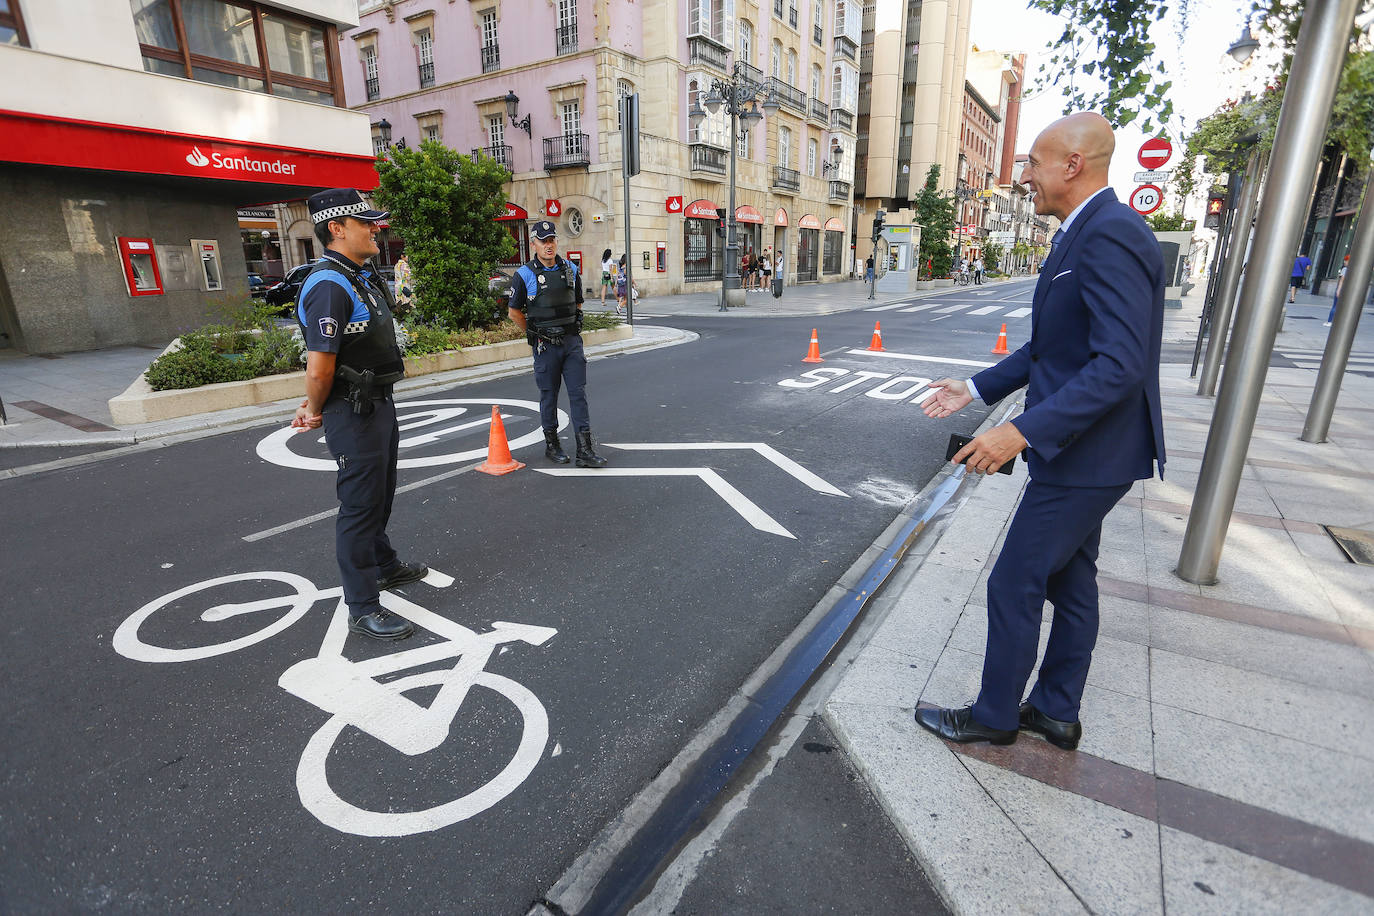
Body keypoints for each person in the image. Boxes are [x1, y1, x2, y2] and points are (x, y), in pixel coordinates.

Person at [916, 112, 1166, 749]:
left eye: (1031, 163)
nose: (1023, 176)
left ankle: (997, 716)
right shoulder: (1083, 232)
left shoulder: (1109, 233)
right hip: (1088, 452)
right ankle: (1056, 710)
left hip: (1088, 454)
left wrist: (1019, 433)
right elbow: (1052, 349)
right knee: (1070, 581)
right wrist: (974, 388)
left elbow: (1119, 364)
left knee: (1014, 579)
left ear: (1072, 165)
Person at [291, 188, 429, 641]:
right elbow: (320, 364)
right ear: (336, 228)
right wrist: (313, 410)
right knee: (359, 506)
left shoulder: (357, 275)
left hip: (376, 404)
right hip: (353, 410)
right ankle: (363, 605)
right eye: (365, 222)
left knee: (380, 495)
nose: (375, 228)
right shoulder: (328, 285)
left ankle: (385, 565)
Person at [508, 221, 608, 468]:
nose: (548, 245)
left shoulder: (571, 270)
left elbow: (578, 302)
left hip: (571, 343)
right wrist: (533, 332)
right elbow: (513, 312)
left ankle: (584, 451)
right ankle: (552, 445)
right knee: (549, 395)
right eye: (543, 241)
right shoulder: (524, 274)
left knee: (578, 394)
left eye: (551, 239)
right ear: (534, 244)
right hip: (545, 346)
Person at [1326, 254, 1349, 326]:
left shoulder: (1345, 269)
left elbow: (1341, 280)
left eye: (1346, 260)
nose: (1344, 262)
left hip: (1341, 288)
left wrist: (1338, 290)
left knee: (1335, 306)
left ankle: (1330, 321)